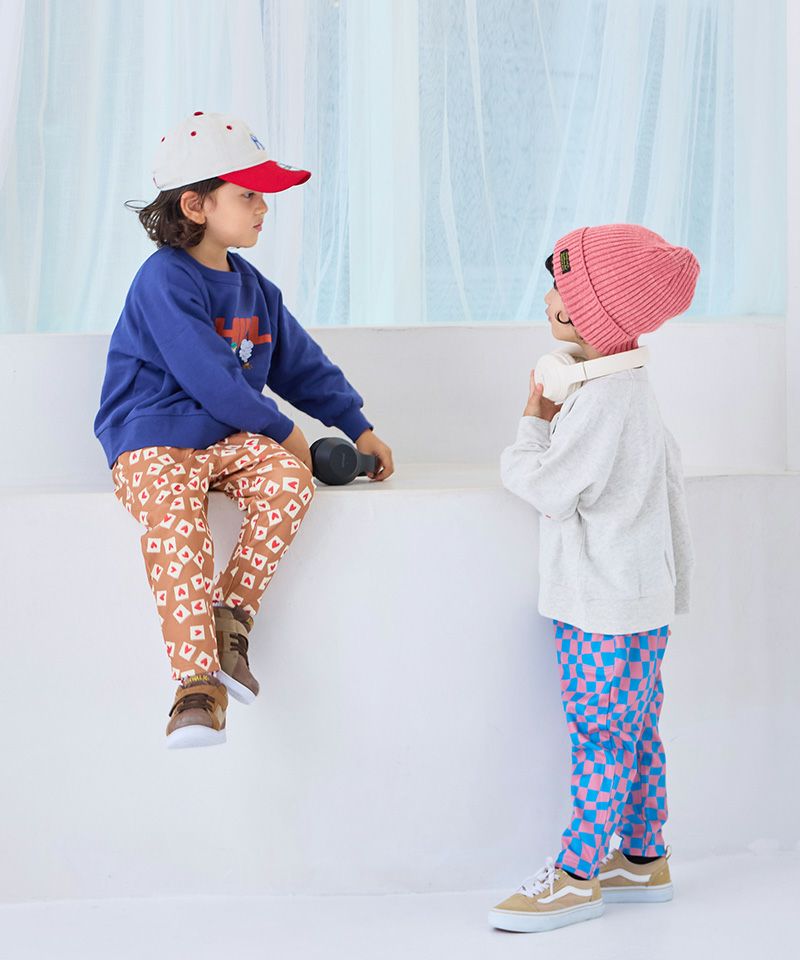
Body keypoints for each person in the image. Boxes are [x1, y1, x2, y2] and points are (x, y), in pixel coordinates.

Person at [94, 111, 394, 749]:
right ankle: (196, 686)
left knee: (288, 482)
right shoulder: (162, 280)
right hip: (151, 438)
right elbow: (209, 376)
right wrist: (286, 432)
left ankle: (231, 619)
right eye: (249, 195)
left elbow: (302, 365)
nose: (264, 207)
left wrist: (357, 425)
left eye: (264, 195)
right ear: (196, 204)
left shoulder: (255, 289)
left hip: (224, 439)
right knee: (177, 522)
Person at [489, 224, 698, 933]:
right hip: (635, 596)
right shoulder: (626, 384)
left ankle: (577, 875)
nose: (551, 300)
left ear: (595, 314)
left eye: (566, 292)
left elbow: (548, 487)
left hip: (602, 604)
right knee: (634, 731)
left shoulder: (604, 400)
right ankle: (642, 857)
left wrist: (532, 422)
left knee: (599, 738)